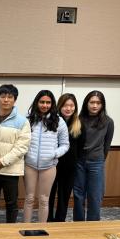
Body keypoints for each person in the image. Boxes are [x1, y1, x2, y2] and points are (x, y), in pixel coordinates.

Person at [0, 84, 31, 223]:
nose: (6, 100)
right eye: (3, 96)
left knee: (11, 203)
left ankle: (10, 231)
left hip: (10, 169)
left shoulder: (22, 121)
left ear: (14, 100)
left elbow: (22, 146)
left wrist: (2, 161)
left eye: (10, 97)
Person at [23, 90, 69, 223]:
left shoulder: (59, 121)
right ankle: (26, 228)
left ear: (52, 104)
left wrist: (54, 154)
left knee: (44, 199)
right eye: (42, 102)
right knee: (29, 198)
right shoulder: (28, 120)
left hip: (49, 166)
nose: (44, 105)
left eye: (48, 102)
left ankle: (42, 228)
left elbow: (65, 145)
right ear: (37, 102)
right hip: (29, 165)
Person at [73, 90, 114, 221]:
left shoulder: (108, 122)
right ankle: (78, 223)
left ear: (102, 105)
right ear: (86, 103)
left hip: (96, 162)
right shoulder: (79, 120)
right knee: (78, 194)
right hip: (79, 162)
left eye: (98, 103)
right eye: (92, 102)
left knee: (95, 196)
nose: (95, 105)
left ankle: (93, 225)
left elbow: (107, 145)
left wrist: (99, 159)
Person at [48, 93, 83, 222]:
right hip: (52, 165)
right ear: (59, 106)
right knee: (49, 195)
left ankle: (60, 220)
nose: (68, 108)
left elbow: (80, 147)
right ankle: (48, 219)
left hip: (70, 167)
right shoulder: (52, 121)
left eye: (71, 105)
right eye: (65, 105)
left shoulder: (79, 124)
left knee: (64, 196)